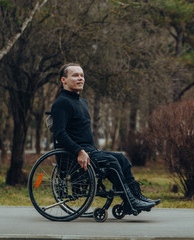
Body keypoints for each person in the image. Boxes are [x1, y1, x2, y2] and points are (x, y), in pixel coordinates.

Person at [51, 63, 160, 212]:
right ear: (64, 80)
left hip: (89, 150)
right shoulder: (61, 103)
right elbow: (60, 134)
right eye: (75, 75)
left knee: (122, 159)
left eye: (82, 75)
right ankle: (130, 201)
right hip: (73, 155)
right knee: (111, 162)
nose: (80, 78)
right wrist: (78, 151)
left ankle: (137, 196)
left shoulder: (83, 102)